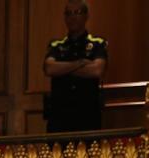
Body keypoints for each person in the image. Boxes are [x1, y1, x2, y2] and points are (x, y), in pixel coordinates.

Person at [43, 0, 108, 134]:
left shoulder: (97, 44)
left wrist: (63, 69)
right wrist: (79, 63)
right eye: (68, 14)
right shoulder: (56, 45)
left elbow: (97, 70)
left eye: (77, 13)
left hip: (87, 115)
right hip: (60, 116)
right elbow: (49, 68)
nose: (72, 17)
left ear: (86, 16)